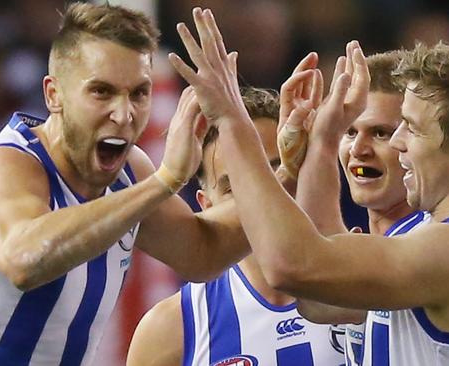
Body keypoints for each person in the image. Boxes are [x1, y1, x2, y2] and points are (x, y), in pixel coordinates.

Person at [169, 8, 449, 365]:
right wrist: (322, 142)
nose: (398, 142)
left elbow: (293, 267)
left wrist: (233, 121)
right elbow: (321, 300)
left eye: (411, 129)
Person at [0, 3, 253, 365]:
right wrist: (165, 181)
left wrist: (286, 170)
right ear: (53, 95)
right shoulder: (2, 164)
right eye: (102, 92)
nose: (124, 114)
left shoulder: (129, 173)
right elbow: (24, 260)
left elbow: (203, 253)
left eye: (139, 93)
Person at [127, 87, 344, 366]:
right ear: (206, 205)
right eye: (238, 185)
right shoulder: (171, 329)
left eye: (276, 172)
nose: (264, 198)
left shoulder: (368, 284)